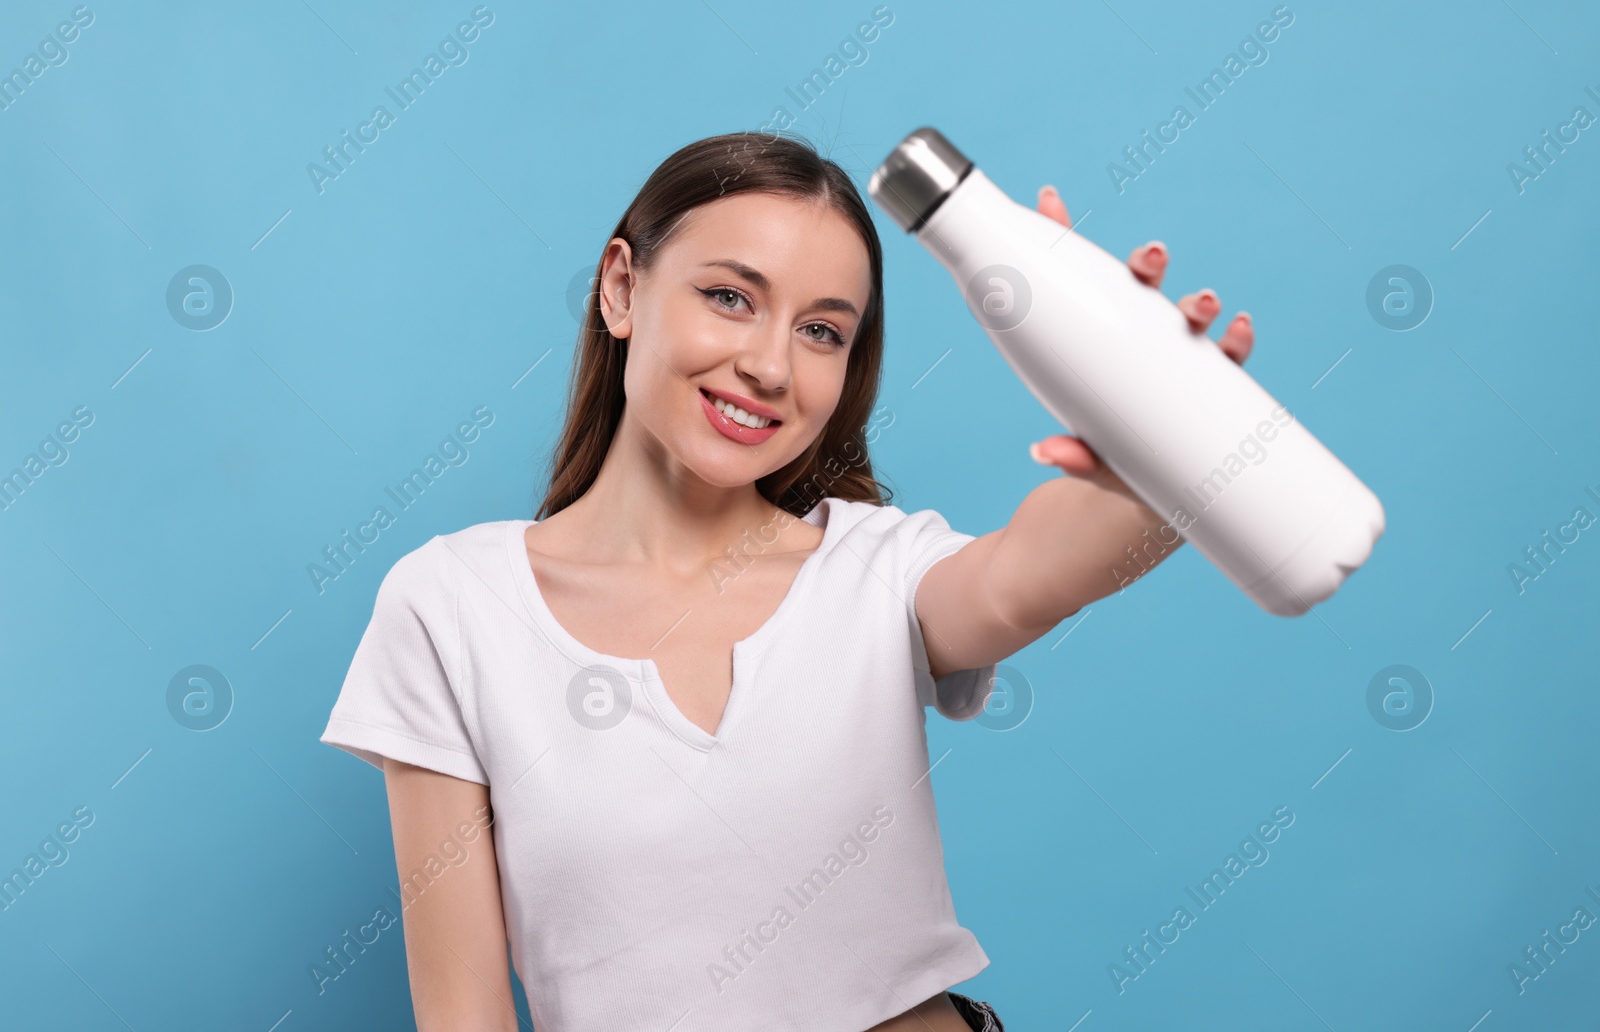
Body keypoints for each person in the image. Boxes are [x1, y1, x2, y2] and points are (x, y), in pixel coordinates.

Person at [320, 130, 1254, 1032]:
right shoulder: (452, 605)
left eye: (820, 330)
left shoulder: (879, 569)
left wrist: (1158, 424)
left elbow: (1033, 573)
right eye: (730, 297)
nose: (770, 366)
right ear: (621, 288)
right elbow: (464, 1014)